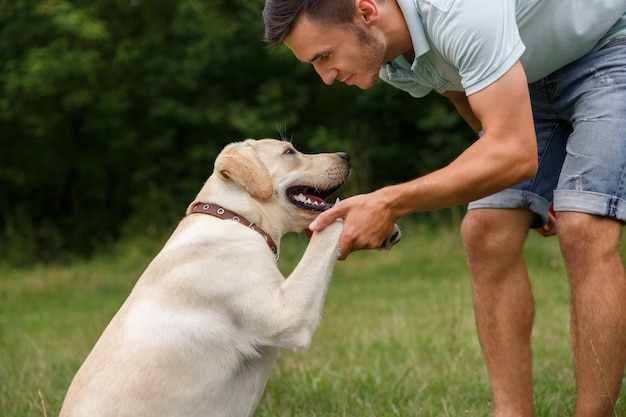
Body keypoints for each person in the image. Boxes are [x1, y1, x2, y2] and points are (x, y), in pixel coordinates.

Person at [262, 0, 626, 416]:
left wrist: (389, 201)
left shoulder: (456, 11)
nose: (325, 77)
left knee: (583, 226)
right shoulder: (390, 59)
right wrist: (534, 179)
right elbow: (461, 92)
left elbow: (514, 153)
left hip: (608, 45)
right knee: (484, 231)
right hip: (522, 76)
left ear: (366, 12)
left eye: (325, 56)